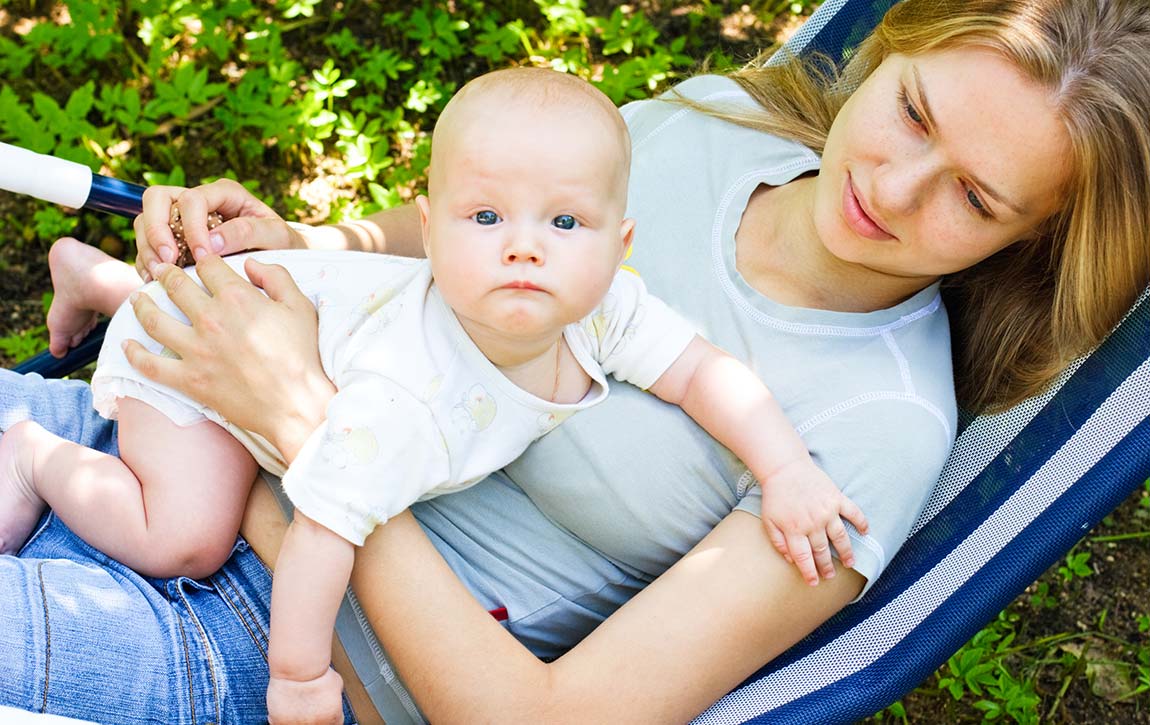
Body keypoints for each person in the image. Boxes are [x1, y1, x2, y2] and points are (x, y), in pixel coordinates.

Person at [2, 0, 1149, 722]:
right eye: (912, 112)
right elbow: (464, 234)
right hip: (178, 439)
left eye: (973, 195)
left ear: (1027, 241)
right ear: (888, 50)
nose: (892, 189)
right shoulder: (711, 127)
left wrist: (308, 434)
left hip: (265, 649)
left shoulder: (872, 434)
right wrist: (297, 244)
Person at [2, 68, 867, 719]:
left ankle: (104, 283)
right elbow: (322, 537)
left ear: (619, 241)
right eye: (486, 219)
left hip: (266, 359)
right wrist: (300, 675)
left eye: (563, 222)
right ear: (433, 226)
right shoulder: (404, 403)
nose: (525, 248)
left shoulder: (603, 308)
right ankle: (40, 458)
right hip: (203, 391)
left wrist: (785, 467)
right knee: (180, 535)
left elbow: (702, 371)